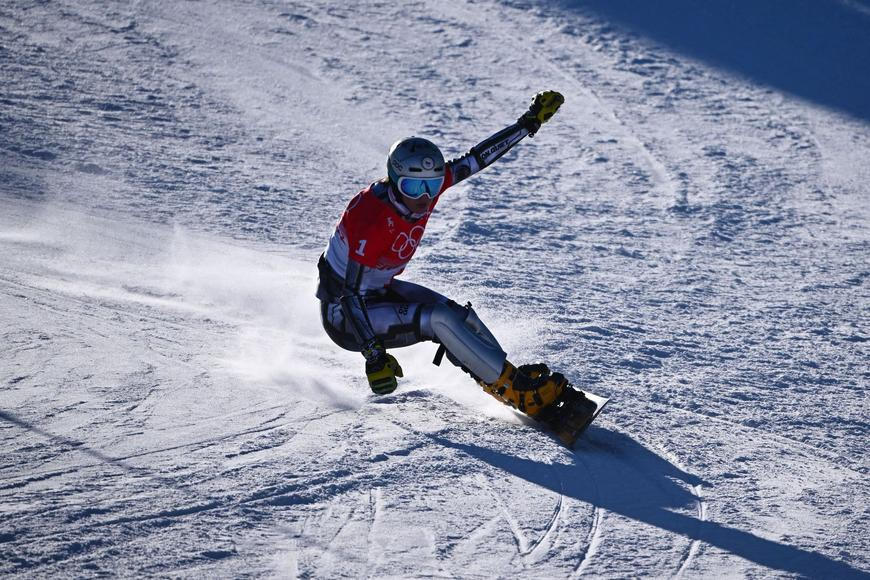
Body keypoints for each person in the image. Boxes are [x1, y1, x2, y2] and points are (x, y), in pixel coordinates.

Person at [316, 91, 595, 436]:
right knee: (440, 319)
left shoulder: (420, 194)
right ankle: (519, 392)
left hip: (376, 292)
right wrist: (374, 355)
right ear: (394, 180)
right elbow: (349, 295)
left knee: (459, 316)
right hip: (345, 317)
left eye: (432, 186)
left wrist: (527, 124)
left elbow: (476, 159)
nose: (423, 198)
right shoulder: (372, 220)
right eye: (413, 186)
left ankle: (509, 381)